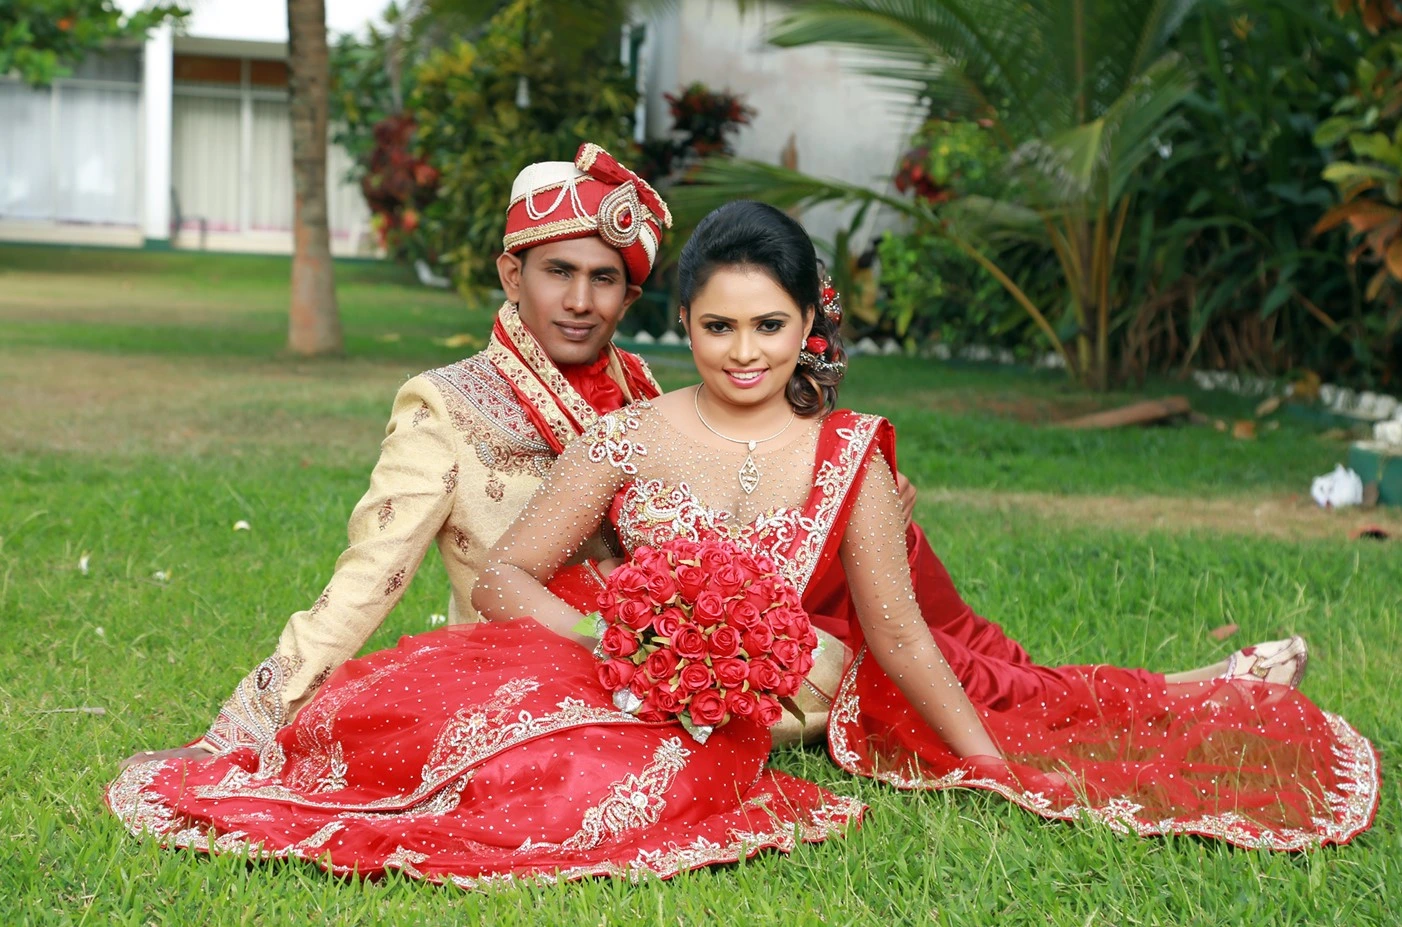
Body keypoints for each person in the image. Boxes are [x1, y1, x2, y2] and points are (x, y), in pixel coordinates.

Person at [108, 203, 1377, 889]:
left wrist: (990, 761)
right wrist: (622, 639)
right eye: (716, 326)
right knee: (478, 756)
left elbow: (893, 633)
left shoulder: (852, 452)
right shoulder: (625, 430)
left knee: (606, 783)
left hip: (757, 697)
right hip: (616, 668)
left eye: (768, 324)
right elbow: (503, 577)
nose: (742, 353)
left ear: (806, 322)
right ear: (689, 323)